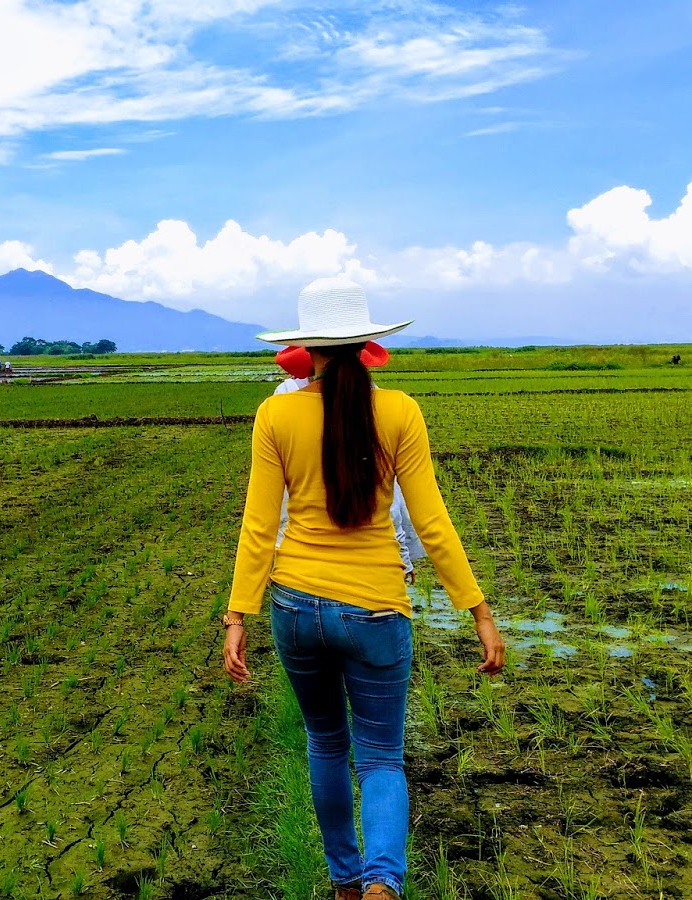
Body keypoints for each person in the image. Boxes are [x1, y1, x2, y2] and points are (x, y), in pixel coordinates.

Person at [222, 277, 505, 900]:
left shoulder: (275, 414)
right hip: (377, 608)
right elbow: (431, 522)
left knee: (326, 744)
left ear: (308, 349)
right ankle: (383, 884)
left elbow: (259, 524)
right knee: (380, 758)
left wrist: (238, 614)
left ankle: (346, 884)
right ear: (366, 342)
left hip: (295, 607)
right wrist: (478, 611)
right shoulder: (399, 411)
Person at [273, 344, 423, 584]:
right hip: (371, 573)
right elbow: (389, 495)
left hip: (299, 571)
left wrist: (274, 557)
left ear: (310, 351)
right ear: (360, 352)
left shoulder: (283, 399)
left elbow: (277, 499)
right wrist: (402, 556)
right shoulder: (377, 399)